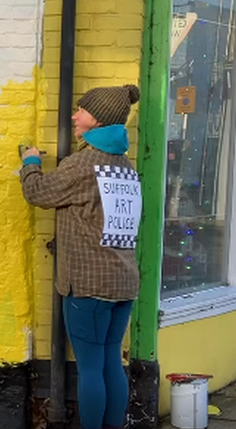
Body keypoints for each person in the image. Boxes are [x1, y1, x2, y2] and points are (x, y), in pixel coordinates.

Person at [19, 85, 142, 429]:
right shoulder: (125, 166)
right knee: (110, 363)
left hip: (88, 284)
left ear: (98, 119)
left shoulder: (82, 164)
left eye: (81, 111)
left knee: (89, 368)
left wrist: (30, 162)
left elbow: (38, 192)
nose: (74, 116)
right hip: (123, 281)